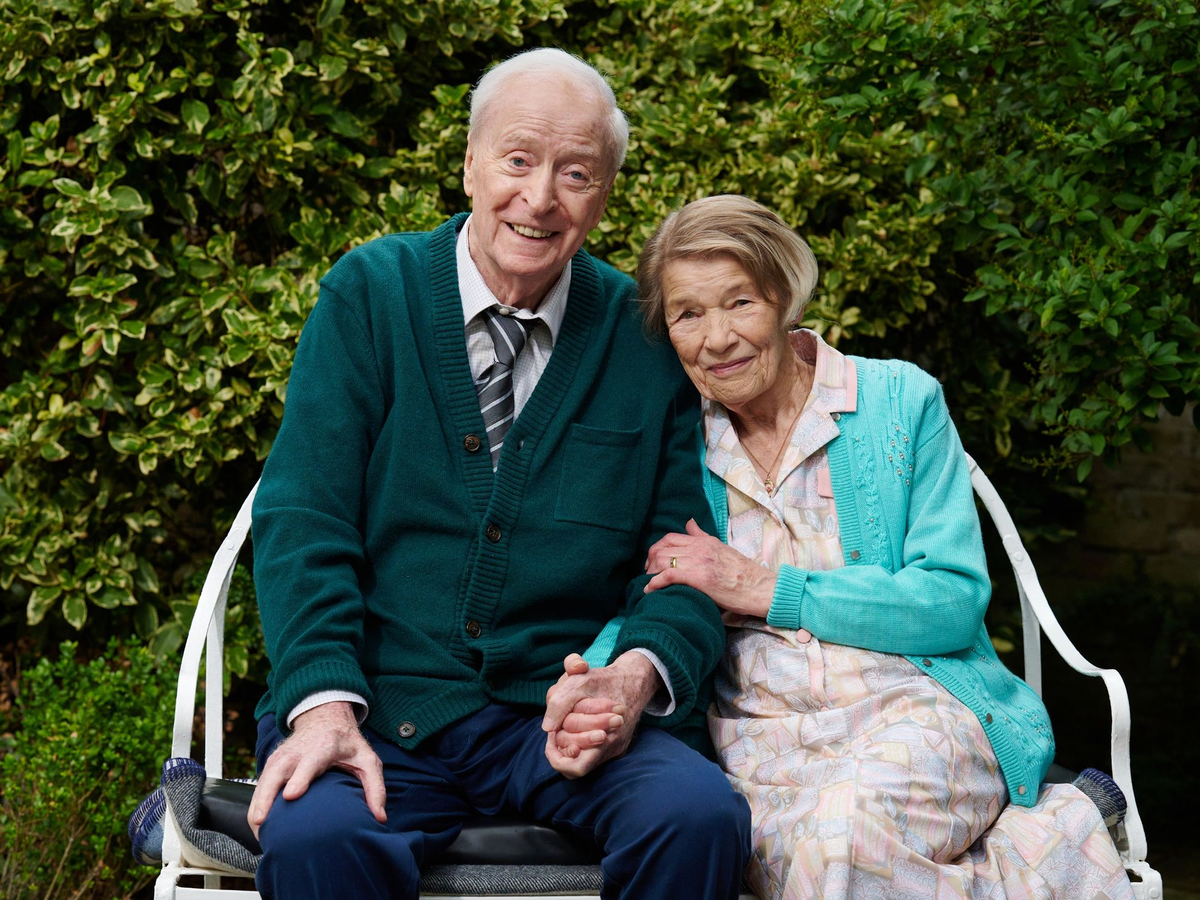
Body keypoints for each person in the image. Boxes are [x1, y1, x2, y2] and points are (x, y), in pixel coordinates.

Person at [245, 50, 751, 900]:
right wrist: (325, 705)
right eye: (518, 160)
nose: (540, 197)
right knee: (317, 838)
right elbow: (304, 520)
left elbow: (684, 559)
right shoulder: (371, 294)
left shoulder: (643, 335)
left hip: (559, 724)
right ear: (470, 165)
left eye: (576, 173)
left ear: (605, 194)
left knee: (696, 815)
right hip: (379, 711)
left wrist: (632, 678)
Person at [569, 194, 1134, 898]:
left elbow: (951, 602)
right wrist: (604, 681)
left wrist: (766, 589)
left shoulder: (897, 401)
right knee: (820, 859)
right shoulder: (675, 436)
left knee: (841, 843)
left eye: (740, 302)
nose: (718, 338)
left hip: (921, 718)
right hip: (761, 745)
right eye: (688, 314)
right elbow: (650, 595)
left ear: (783, 296)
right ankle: (1050, 846)